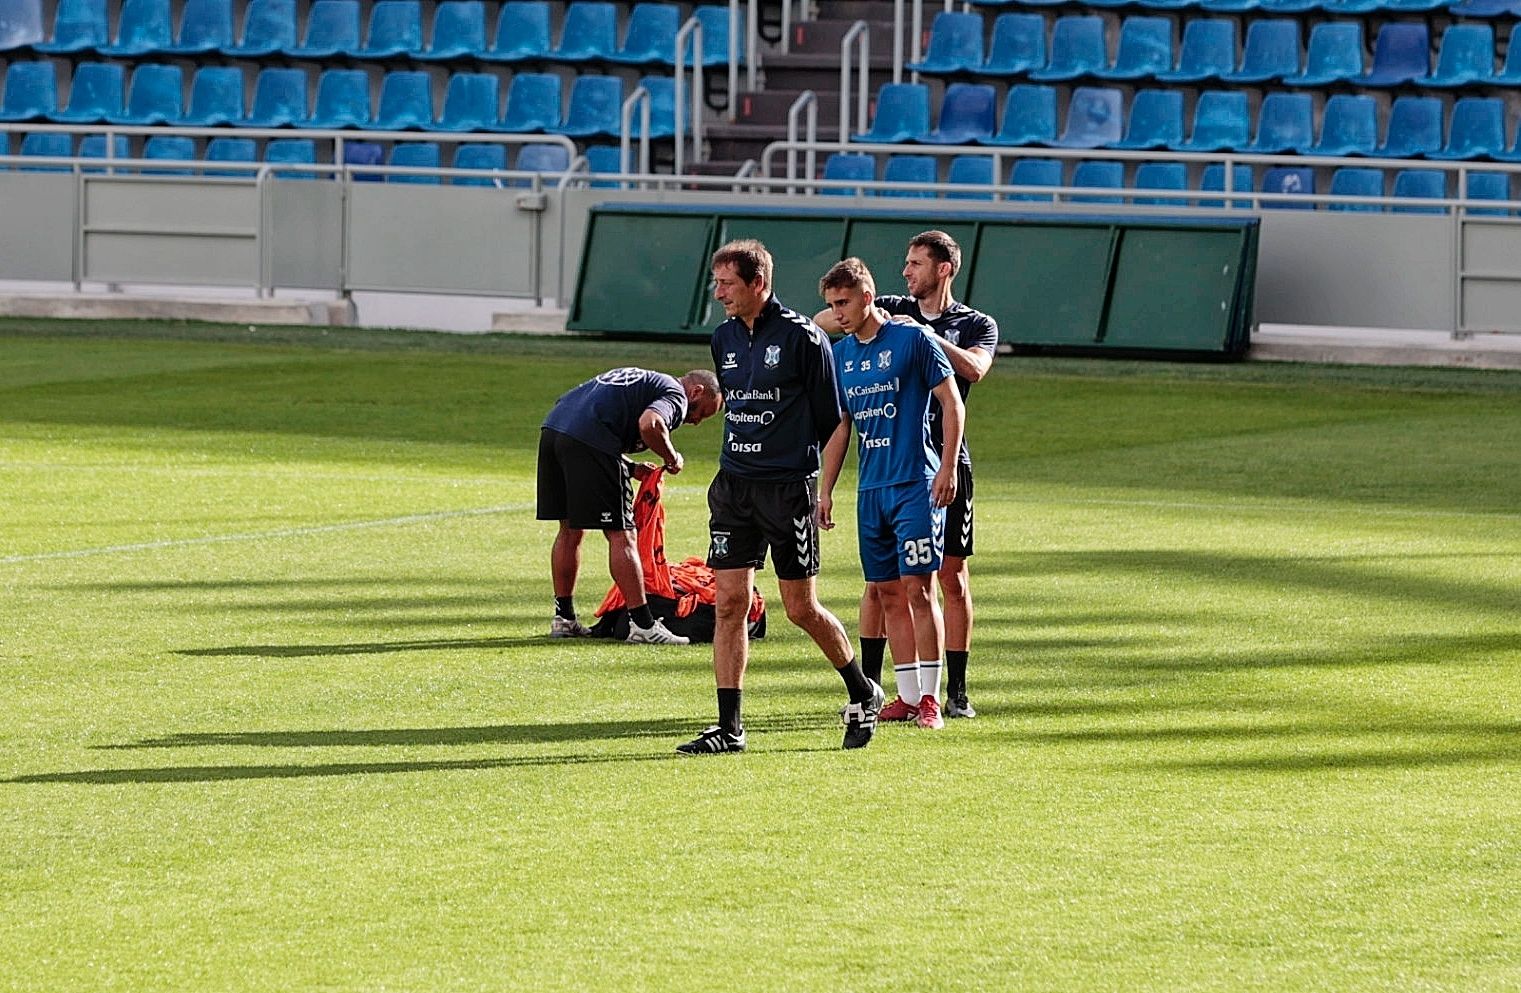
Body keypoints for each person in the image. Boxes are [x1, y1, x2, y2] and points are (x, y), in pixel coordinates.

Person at [676, 239, 884, 755]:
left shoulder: (804, 339)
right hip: (732, 487)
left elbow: (831, 418)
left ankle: (863, 690)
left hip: (786, 490)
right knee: (729, 603)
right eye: (717, 283)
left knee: (799, 608)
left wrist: (810, 478)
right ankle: (730, 727)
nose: (718, 292)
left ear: (757, 284)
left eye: (727, 284)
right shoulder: (722, 339)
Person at [815, 230, 997, 719]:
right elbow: (840, 424)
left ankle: (943, 694)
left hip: (929, 471)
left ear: (943, 268)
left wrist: (946, 465)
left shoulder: (946, 329)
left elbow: (966, 384)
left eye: (916, 263)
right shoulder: (848, 348)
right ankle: (898, 693)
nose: (907, 270)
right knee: (886, 589)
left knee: (939, 581)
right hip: (873, 485)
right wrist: (824, 488)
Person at [538, 366, 721, 645]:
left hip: (553, 431)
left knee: (570, 530)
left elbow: (590, 420)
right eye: (702, 413)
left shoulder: (644, 380)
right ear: (697, 391)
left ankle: (564, 619)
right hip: (586, 440)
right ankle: (643, 625)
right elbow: (650, 424)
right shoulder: (675, 393)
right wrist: (671, 458)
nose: (695, 421)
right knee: (622, 534)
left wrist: (629, 467)